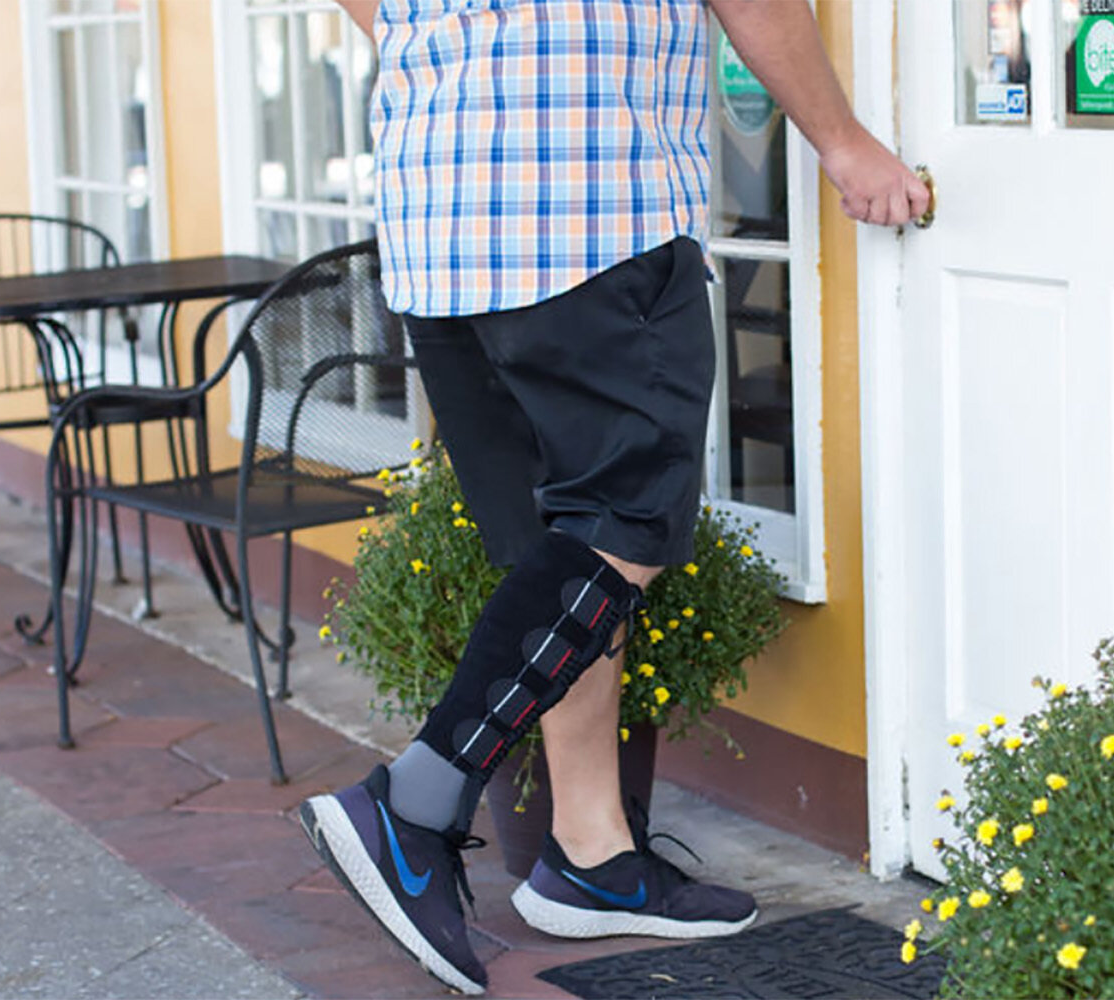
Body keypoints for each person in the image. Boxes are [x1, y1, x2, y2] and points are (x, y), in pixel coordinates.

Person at [301, 0, 931, 993]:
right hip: (585, 205)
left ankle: (590, 854)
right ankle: (414, 804)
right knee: (617, 526)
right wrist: (848, 145)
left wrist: (457, 44)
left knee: (556, 551)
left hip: (439, 208)